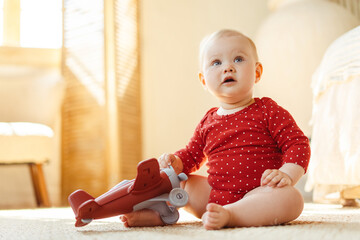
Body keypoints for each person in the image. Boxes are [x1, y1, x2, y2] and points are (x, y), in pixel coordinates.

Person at [120, 29, 311, 230]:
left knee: (292, 199)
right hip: (214, 195)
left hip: (259, 194)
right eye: (216, 63)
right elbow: (191, 156)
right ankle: (160, 214)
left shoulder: (268, 110)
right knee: (181, 183)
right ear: (204, 80)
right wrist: (175, 162)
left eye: (238, 59)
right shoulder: (207, 121)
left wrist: (287, 174)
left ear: (257, 72)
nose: (228, 68)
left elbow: (297, 143)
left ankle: (232, 215)